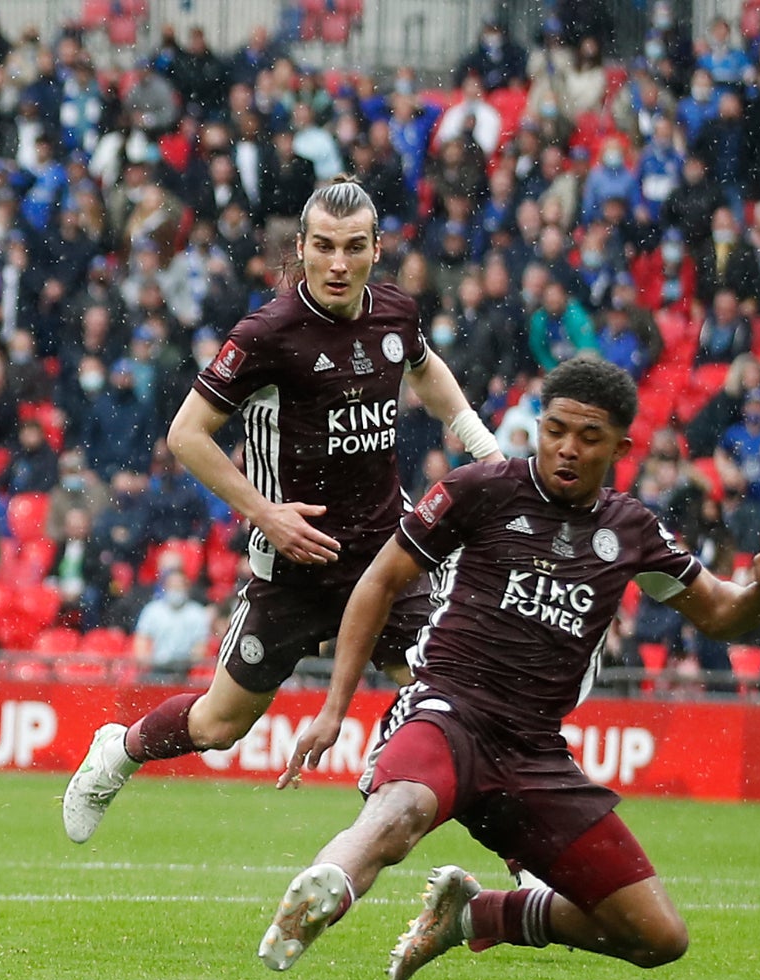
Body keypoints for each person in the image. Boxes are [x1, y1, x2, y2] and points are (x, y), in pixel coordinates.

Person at [258, 358, 760, 980]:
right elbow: (379, 582)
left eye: (589, 437)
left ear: (621, 447)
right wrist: (334, 708)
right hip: (448, 711)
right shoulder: (481, 489)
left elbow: (719, 613)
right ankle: (327, 884)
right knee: (398, 813)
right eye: (555, 430)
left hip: (535, 753)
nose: (567, 449)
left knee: (657, 936)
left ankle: (477, 916)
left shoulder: (631, 530)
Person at [62, 176, 505, 844]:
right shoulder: (269, 333)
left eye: (353, 247)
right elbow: (186, 435)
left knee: (451, 700)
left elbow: (424, 367)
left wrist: (482, 448)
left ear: (376, 249)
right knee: (219, 725)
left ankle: (517, 853)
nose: (337, 262)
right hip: (292, 566)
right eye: (323, 246)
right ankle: (118, 751)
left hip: (388, 555)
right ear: (300, 247)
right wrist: (266, 514)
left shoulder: (394, 315)